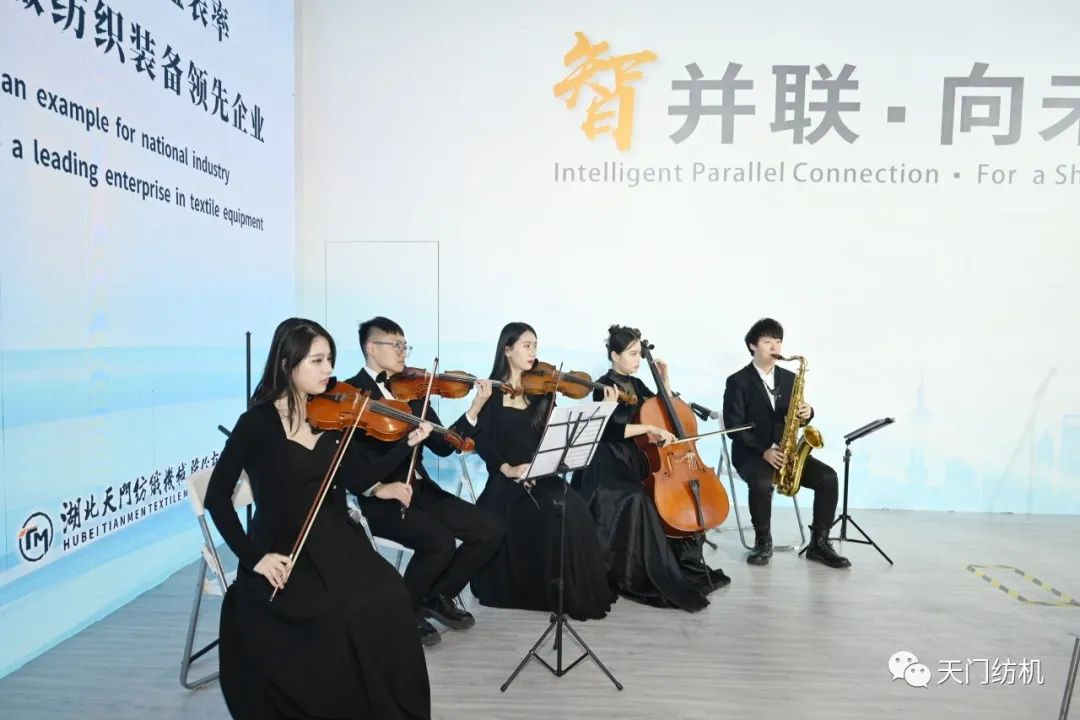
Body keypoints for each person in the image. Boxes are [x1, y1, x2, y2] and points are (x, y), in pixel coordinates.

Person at [205, 318, 432, 719]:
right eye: (317, 360)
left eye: (330, 359)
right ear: (287, 363)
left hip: (336, 536)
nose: (329, 369)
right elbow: (216, 498)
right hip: (283, 546)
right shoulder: (256, 423)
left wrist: (406, 444)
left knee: (391, 595)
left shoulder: (330, 416)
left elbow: (356, 478)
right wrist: (254, 559)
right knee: (336, 614)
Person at [468, 322, 675, 620]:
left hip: (539, 474)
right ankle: (538, 590)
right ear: (507, 350)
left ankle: (573, 591)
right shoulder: (491, 393)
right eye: (526, 345)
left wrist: (602, 410)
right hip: (506, 481)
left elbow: (555, 435)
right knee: (552, 511)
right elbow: (482, 440)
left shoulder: (540, 392)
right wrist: (508, 468)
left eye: (535, 345)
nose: (533, 352)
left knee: (574, 506)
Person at [343, 316, 504, 647]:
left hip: (421, 490)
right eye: (396, 345)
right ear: (371, 348)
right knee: (439, 542)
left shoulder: (413, 391)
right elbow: (349, 464)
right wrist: (377, 488)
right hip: (382, 498)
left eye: (405, 345)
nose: (403, 352)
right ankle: (402, 613)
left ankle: (436, 596)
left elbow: (443, 446)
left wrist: (475, 408)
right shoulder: (351, 394)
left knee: (490, 529)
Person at [573, 325, 730, 612]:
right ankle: (635, 568)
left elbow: (663, 408)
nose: (638, 359)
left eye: (639, 353)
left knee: (662, 496)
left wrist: (664, 380)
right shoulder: (604, 386)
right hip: (609, 460)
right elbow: (610, 431)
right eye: (632, 354)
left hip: (636, 458)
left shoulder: (637, 384)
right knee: (638, 498)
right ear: (615, 355)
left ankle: (677, 560)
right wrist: (648, 427)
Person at [722, 317, 850, 569]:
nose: (775, 347)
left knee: (828, 478)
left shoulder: (790, 378)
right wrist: (764, 451)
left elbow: (796, 419)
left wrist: (807, 413)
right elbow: (733, 427)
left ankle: (819, 544)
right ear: (752, 345)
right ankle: (763, 541)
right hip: (752, 453)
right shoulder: (737, 381)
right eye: (767, 341)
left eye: (778, 341)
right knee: (761, 483)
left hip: (787, 452)